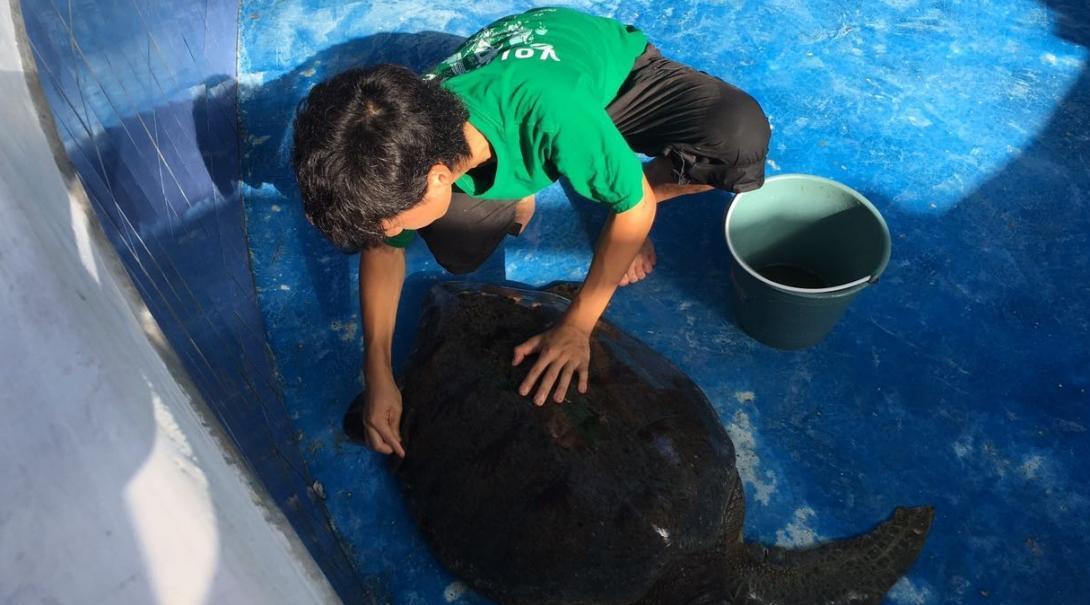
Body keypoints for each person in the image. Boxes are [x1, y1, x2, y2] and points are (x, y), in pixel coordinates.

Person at [292, 7, 771, 457]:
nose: (388, 234)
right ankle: (573, 177)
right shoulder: (403, 138)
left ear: (440, 177)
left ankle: (617, 180)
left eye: (391, 222)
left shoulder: (551, 111)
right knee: (460, 247)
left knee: (738, 139)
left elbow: (635, 204)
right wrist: (376, 372)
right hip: (517, 109)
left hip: (608, 79)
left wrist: (577, 325)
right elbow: (383, 250)